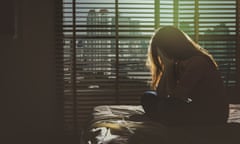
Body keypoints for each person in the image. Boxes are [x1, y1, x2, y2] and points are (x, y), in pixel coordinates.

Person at [141, 26, 229, 126]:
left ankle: (163, 118)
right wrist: (166, 69)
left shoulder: (197, 62)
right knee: (148, 96)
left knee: (167, 106)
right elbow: (162, 94)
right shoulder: (177, 63)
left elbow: (176, 97)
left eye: (161, 51)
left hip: (212, 115)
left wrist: (169, 69)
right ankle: (164, 118)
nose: (161, 56)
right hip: (195, 107)